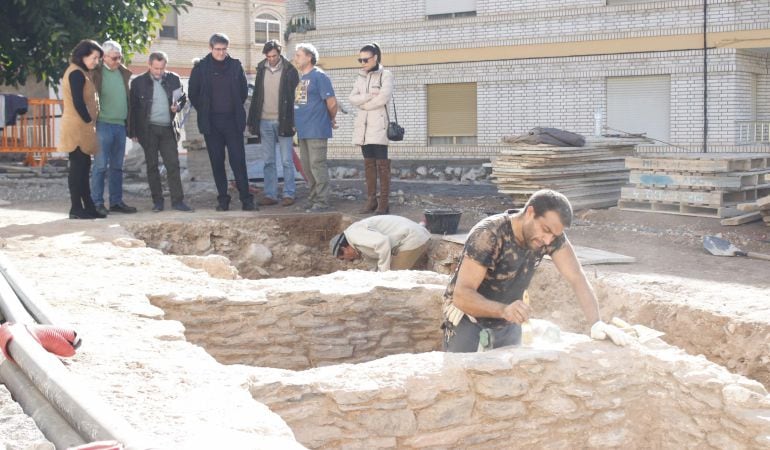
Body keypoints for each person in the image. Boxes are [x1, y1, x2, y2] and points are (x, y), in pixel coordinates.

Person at [442, 189, 632, 352]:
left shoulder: (550, 236)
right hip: (468, 322)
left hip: (509, 322)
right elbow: (462, 295)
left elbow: (576, 277)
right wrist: (503, 310)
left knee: (510, 387)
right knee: (464, 385)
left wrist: (596, 323)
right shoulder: (489, 234)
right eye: (545, 230)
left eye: (554, 235)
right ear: (530, 212)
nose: (548, 240)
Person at [188, 33, 256, 211]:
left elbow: (242, 91)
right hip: (212, 124)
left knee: (238, 161)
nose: (221, 53)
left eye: (224, 49)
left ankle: (246, 200)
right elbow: (193, 93)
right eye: (218, 49)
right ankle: (223, 200)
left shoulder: (235, 66)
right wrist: (204, 109)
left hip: (232, 122)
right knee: (217, 163)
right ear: (211, 48)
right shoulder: (201, 68)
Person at [128, 51, 193, 213]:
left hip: (168, 129)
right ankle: (158, 202)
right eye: (156, 68)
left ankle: (178, 201)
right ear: (149, 65)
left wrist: (177, 106)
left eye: (162, 68)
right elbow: (132, 109)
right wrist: (132, 131)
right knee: (152, 166)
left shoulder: (174, 79)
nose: (159, 72)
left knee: (173, 165)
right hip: (147, 129)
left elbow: (182, 98)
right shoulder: (138, 83)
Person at [247, 40, 300, 207]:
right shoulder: (261, 69)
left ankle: (289, 194)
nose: (271, 59)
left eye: (274, 56)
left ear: (280, 53)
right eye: (268, 56)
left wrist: (294, 121)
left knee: (286, 160)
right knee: (268, 160)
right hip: (264, 121)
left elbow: (295, 98)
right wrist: (251, 121)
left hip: (284, 121)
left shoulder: (290, 71)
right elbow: (256, 96)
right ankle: (270, 194)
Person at [58, 39, 105, 219]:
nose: (96, 61)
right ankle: (76, 208)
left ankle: (89, 207)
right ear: (83, 55)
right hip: (77, 128)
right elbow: (78, 102)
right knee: (78, 169)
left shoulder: (82, 72)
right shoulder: (76, 73)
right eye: (94, 58)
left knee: (84, 167)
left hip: (83, 128)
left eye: (98, 58)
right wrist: (89, 120)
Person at [90, 40, 137, 216]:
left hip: (120, 126)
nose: (118, 61)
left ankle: (116, 202)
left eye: (120, 57)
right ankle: (97, 203)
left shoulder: (123, 73)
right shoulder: (96, 73)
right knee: (101, 166)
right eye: (115, 57)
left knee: (117, 167)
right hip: (102, 124)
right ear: (104, 57)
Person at [348, 43, 393, 215]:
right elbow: (352, 98)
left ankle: (384, 202)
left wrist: (364, 105)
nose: (362, 63)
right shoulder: (360, 77)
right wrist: (367, 97)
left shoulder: (386, 75)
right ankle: (371, 199)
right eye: (360, 59)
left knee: (382, 165)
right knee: (368, 165)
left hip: (379, 127)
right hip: (363, 128)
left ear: (375, 57)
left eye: (365, 59)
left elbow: (383, 97)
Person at [293, 43, 337, 212]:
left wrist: (331, 119)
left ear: (309, 57)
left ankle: (322, 201)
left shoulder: (319, 76)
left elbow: (332, 103)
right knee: (306, 166)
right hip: (303, 130)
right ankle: (313, 198)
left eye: (298, 55)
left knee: (317, 165)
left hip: (317, 129)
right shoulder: (302, 77)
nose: (295, 58)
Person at [329, 215, 431, 271]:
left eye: (343, 258)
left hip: (413, 237)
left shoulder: (354, 234)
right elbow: (374, 261)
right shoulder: (356, 243)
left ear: (344, 249)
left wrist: (384, 274)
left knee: (393, 279)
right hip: (411, 235)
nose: (347, 261)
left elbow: (383, 242)